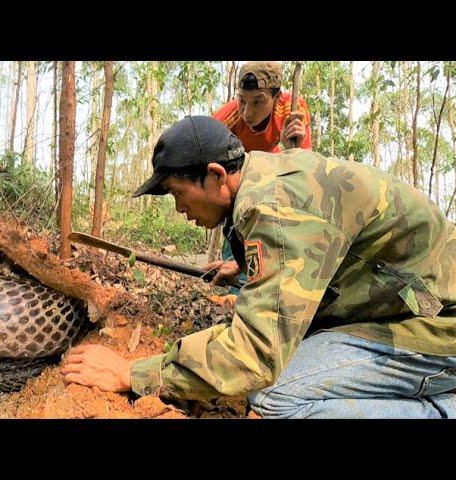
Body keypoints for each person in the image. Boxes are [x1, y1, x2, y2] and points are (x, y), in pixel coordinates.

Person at [62, 115, 456, 418]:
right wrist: (246, 268)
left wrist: (133, 374)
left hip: (441, 328)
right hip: (412, 304)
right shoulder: (268, 177)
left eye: (179, 194)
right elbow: (310, 255)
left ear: (216, 176)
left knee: (272, 394)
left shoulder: (276, 211)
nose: (180, 210)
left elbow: (256, 354)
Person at [212, 61, 312, 292]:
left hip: (274, 173)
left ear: (276, 97)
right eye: (243, 101)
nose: (247, 112)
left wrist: (292, 149)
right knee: (236, 225)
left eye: (258, 102)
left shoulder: (292, 110)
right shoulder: (229, 116)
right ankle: (236, 291)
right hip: (238, 177)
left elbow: (305, 171)